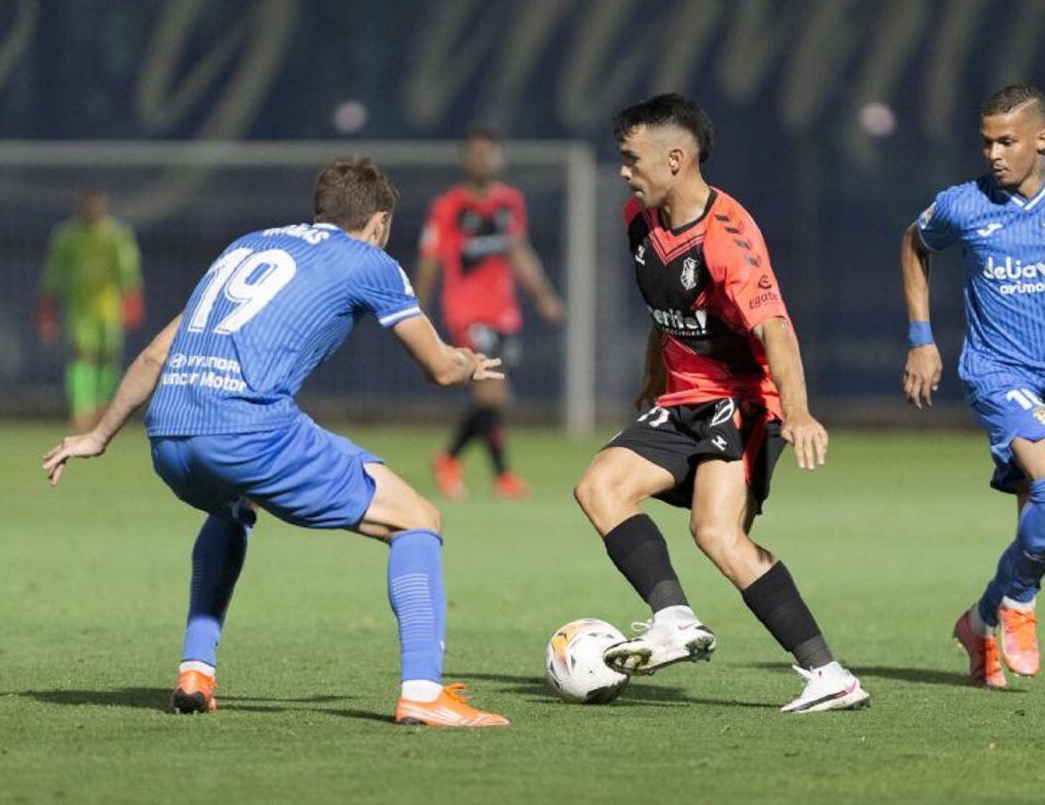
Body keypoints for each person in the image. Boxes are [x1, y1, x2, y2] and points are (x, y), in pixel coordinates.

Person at [42, 157, 508, 727]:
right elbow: (437, 368)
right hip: (245, 431)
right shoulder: (370, 260)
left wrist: (98, 434)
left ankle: (196, 671)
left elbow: (154, 354)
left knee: (234, 505)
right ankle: (423, 692)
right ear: (380, 220)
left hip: (167, 436)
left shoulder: (246, 245)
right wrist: (466, 363)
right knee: (418, 518)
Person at [573, 93, 869, 714]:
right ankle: (674, 620)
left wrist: (801, 410)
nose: (624, 171)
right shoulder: (639, 218)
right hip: (682, 400)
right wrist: (653, 379)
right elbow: (668, 313)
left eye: (632, 159)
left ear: (676, 159)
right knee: (599, 487)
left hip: (742, 402)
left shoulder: (727, 237)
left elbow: (775, 330)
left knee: (716, 533)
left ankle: (829, 676)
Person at [902, 84, 1045, 689]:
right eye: (986, 142)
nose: (993, 153)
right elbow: (913, 243)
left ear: (1041, 139)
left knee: (1038, 517)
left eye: (1006, 141)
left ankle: (981, 621)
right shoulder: (964, 205)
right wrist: (921, 338)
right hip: (996, 373)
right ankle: (1015, 602)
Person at [416, 127, 563, 500]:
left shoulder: (510, 202)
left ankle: (453, 459)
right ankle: (496, 474)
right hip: (467, 312)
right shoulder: (448, 206)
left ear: (499, 157)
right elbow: (431, 260)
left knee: (496, 395)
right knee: (492, 391)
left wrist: (544, 296)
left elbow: (519, 251)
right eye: (475, 153)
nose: (482, 160)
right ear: (466, 159)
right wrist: (416, 309)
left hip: (504, 312)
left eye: (489, 153)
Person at [37, 189, 146, 432]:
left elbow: (128, 270)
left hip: (109, 309)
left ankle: (103, 407)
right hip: (79, 310)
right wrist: (46, 312)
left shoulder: (116, 235)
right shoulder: (66, 236)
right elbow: (52, 274)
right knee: (81, 357)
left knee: (108, 359)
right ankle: (81, 410)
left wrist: (132, 304)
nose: (92, 212)